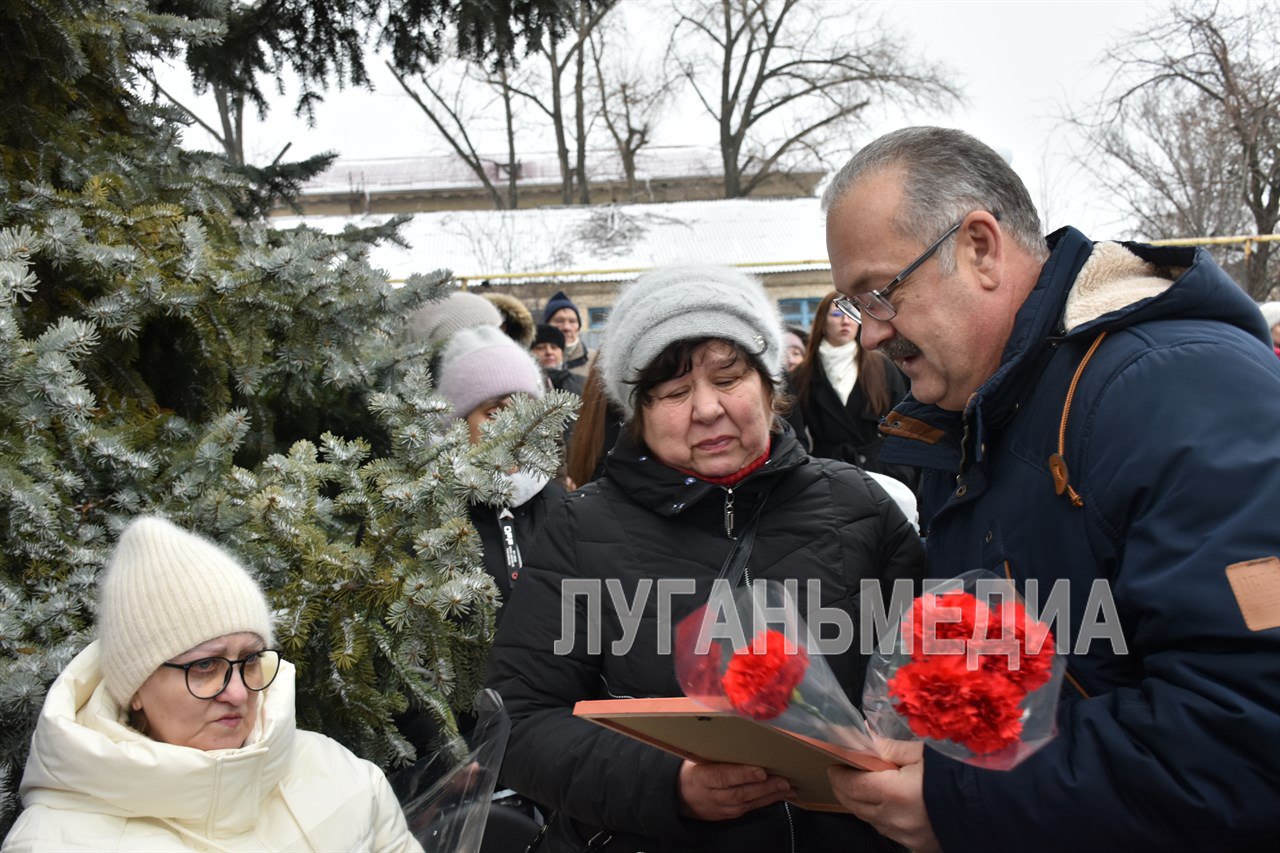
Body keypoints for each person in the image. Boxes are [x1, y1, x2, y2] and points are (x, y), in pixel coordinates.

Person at [820, 126, 1280, 852]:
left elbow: (1247, 734)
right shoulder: (975, 420)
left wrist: (959, 798)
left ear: (979, 248)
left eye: (880, 294)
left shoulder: (1179, 389)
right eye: (854, 305)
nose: (870, 334)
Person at [486, 264, 925, 852]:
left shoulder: (860, 507)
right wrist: (670, 784)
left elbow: (931, 686)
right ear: (638, 411)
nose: (707, 409)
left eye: (729, 377)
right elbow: (519, 722)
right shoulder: (581, 529)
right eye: (674, 392)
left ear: (769, 385)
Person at [2, 516, 421, 852]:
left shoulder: (340, 775)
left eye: (250, 660)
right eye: (204, 665)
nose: (238, 693)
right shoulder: (52, 841)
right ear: (136, 689)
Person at [435, 325, 566, 605]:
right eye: (494, 413)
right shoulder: (421, 515)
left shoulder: (562, 508)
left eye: (523, 411)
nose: (512, 428)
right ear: (456, 426)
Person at [787, 291, 914, 486]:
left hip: (883, 474)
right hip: (828, 476)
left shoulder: (883, 366)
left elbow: (903, 423)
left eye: (852, 313)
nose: (845, 321)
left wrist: (903, 471)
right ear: (822, 322)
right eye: (837, 314)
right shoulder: (801, 375)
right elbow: (795, 436)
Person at [542, 290, 593, 377]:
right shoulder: (535, 362)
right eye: (559, 321)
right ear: (547, 326)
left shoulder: (595, 361)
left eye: (572, 321)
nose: (566, 327)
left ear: (579, 326)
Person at [531, 323, 587, 398]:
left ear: (562, 353)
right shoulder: (524, 385)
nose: (549, 352)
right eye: (541, 348)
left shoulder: (583, 384)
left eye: (554, 347)